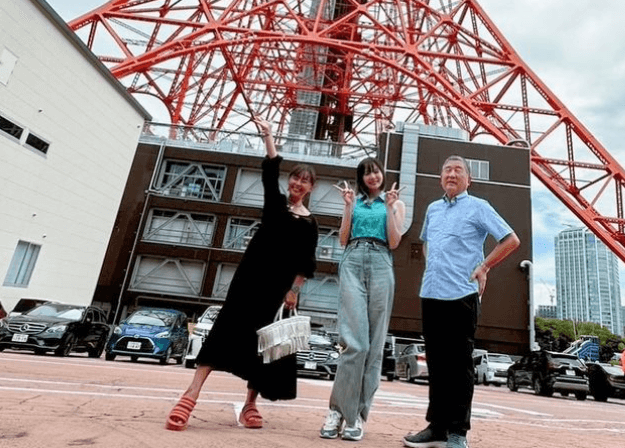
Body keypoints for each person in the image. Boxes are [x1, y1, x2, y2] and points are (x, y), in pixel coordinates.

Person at [165, 116, 318, 431]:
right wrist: (269, 136)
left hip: (277, 291)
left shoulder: (311, 222)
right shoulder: (274, 204)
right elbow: (271, 168)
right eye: (295, 179)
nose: (297, 184)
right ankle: (189, 396)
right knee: (225, 330)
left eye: (304, 181)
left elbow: (306, 262)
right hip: (249, 280)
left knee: (264, 347)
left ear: (310, 187)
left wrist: (294, 292)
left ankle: (251, 404)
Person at [404, 155, 520, 448]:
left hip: (461, 296)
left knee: (459, 366)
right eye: (446, 170)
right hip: (431, 293)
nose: (451, 174)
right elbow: (428, 242)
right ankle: (437, 428)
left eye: (458, 170)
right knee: (438, 364)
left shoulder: (478, 206)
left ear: (469, 179)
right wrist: (434, 268)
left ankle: (458, 432)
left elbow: (510, 239)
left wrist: (485, 266)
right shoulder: (433, 209)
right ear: (440, 178)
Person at [320, 157, 405, 442]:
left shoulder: (394, 203)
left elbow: (394, 242)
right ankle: (337, 411)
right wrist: (347, 207)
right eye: (367, 172)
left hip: (382, 261)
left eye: (376, 170)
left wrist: (391, 207)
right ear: (361, 178)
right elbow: (343, 239)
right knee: (354, 343)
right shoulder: (353, 202)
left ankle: (357, 415)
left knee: (374, 347)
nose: (373, 176)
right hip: (353, 259)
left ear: (383, 173)